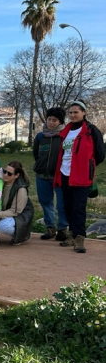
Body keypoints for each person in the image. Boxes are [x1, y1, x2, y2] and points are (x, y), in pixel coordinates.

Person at [53, 100, 105, 253]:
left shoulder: (91, 130)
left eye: (76, 112)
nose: (73, 115)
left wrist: (88, 164)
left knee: (79, 207)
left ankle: (80, 238)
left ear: (84, 113)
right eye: (70, 112)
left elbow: (100, 154)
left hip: (81, 175)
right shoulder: (66, 131)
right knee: (67, 206)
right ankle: (72, 234)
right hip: (65, 172)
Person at [33, 107, 69, 241]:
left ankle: (62, 229)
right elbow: (36, 153)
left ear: (60, 122)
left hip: (59, 176)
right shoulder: (40, 136)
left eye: (54, 120)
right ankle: (50, 228)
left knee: (61, 203)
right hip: (42, 175)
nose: (51, 122)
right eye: (49, 119)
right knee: (45, 202)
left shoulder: (65, 136)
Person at [0, 161, 34, 245]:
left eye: (9, 173)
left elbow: (15, 211)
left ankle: (19, 236)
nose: (5, 175)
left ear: (17, 175)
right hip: (0, 211)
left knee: (3, 226)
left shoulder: (21, 189)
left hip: (17, 216)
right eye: (4, 171)